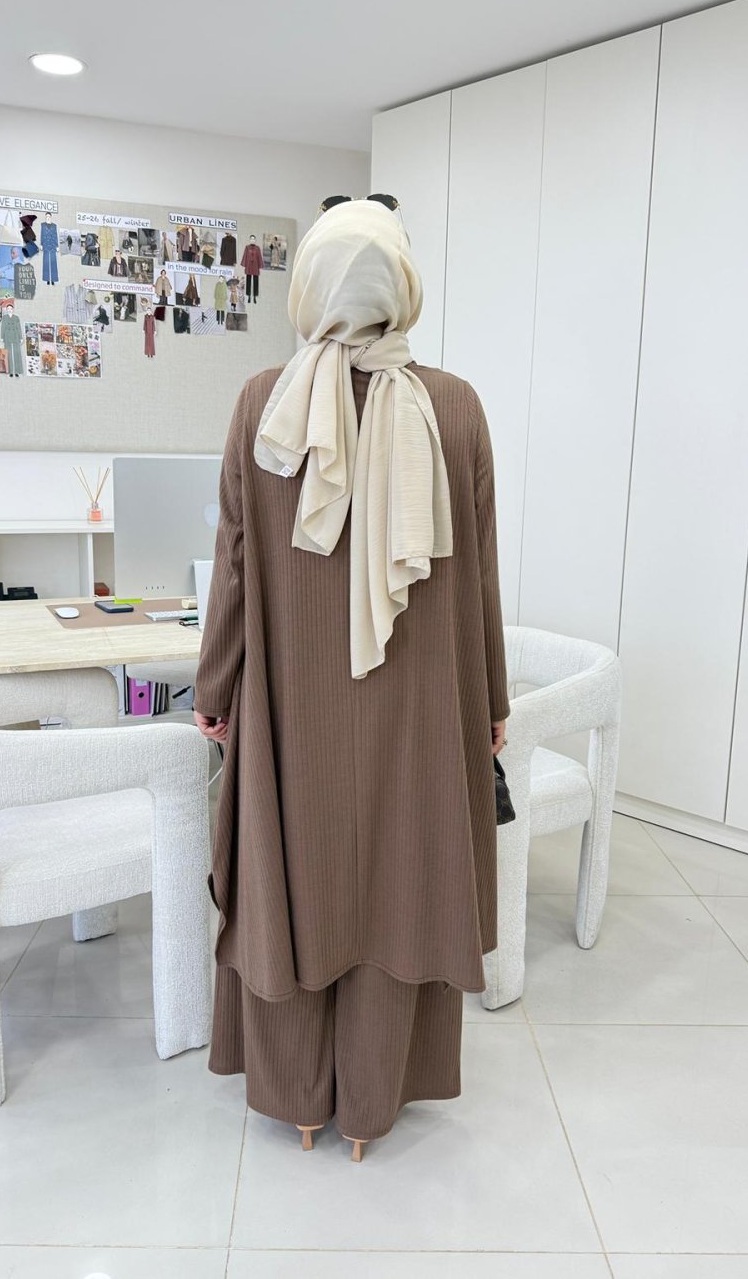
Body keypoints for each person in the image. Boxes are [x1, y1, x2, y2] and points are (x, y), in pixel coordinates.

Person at [194, 198, 509, 1162]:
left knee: (298, 884)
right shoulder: (455, 406)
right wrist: (490, 703)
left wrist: (215, 690)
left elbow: (233, 567)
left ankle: (297, 1098)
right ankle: (373, 1106)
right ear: (400, 282)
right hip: (421, 711)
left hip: (296, 712)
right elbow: (481, 577)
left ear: (310, 286)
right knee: (400, 891)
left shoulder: (262, 402)